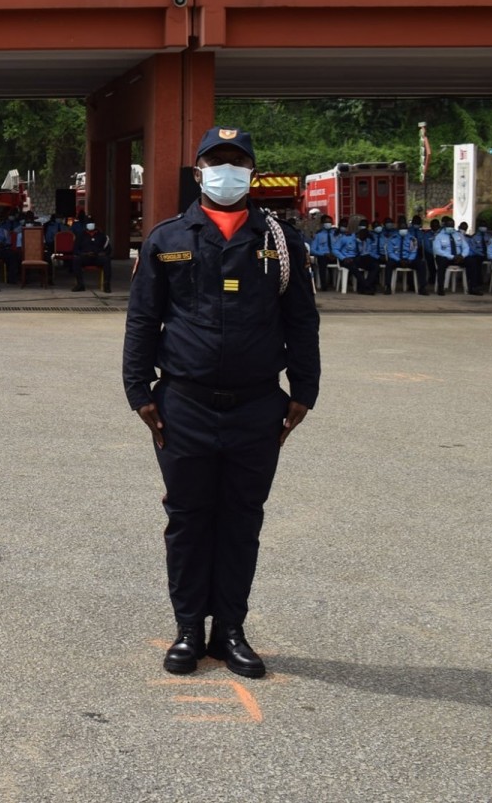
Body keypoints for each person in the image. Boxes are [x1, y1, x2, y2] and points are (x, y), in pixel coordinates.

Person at [123, 125, 320, 680]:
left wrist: (304, 390)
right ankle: (188, 629)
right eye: (216, 162)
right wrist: (138, 390)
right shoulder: (166, 238)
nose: (226, 172)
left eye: (237, 162)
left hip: (257, 405)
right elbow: (143, 319)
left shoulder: (281, 239)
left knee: (241, 520)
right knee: (186, 519)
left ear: (251, 172)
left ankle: (229, 630)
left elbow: (301, 319)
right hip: (183, 402)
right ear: (199, 171)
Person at [71, 220, 112, 292]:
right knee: (76, 260)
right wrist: (83, 254)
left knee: (107, 260)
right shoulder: (81, 235)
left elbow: (108, 249)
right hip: (85, 257)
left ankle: (106, 284)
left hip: (97, 257)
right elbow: (75, 250)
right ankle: (80, 284)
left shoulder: (102, 236)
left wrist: (103, 253)